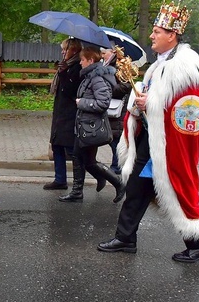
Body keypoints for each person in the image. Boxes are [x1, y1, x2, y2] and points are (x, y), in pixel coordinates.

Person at [97, 0, 199, 262]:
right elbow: (152, 99)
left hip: (170, 143)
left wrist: (149, 104)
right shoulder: (159, 64)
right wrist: (140, 104)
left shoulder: (186, 66)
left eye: (157, 31)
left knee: (179, 187)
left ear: (172, 35)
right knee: (137, 187)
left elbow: (189, 109)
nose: (151, 35)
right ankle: (125, 238)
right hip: (152, 140)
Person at [58, 45, 125, 204]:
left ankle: (116, 183)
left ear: (90, 60)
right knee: (83, 159)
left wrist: (82, 103)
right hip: (85, 125)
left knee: (85, 159)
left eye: (82, 60)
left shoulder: (97, 78)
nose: (80, 63)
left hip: (90, 126)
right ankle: (79, 191)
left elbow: (103, 103)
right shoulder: (90, 76)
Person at [44, 38, 81, 191]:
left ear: (73, 50)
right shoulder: (67, 65)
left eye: (64, 49)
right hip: (61, 111)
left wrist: (64, 72)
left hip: (70, 113)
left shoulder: (77, 66)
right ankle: (60, 179)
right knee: (57, 145)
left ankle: (79, 183)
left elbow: (71, 89)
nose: (62, 51)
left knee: (72, 150)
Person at [101, 44, 133, 174]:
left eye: (104, 53)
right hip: (110, 106)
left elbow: (126, 86)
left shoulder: (121, 66)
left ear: (113, 52)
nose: (102, 56)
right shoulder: (107, 66)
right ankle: (117, 165)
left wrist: (108, 90)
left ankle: (117, 166)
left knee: (115, 138)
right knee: (112, 137)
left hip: (118, 107)